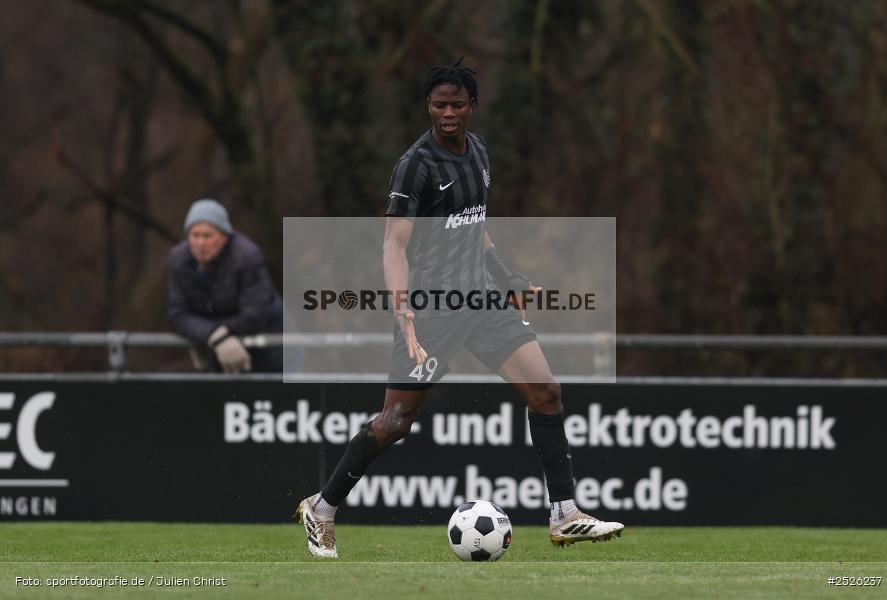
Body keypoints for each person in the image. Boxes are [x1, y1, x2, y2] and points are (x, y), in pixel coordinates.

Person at [296, 60, 623, 558]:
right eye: (438, 104)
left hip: (482, 300)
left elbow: (474, 227)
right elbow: (393, 245)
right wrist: (403, 312)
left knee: (547, 391)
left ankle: (564, 514)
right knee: (396, 422)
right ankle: (322, 507)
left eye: (456, 104)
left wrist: (506, 275)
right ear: (428, 106)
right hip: (431, 309)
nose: (447, 113)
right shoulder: (415, 165)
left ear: (472, 105)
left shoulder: (481, 153)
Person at [168, 199, 283, 373]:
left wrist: (217, 334)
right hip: (220, 345)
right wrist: (212, 335)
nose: (200, 243)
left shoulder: (247, 256)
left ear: (224, 236)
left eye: (207, 236)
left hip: (269, 340)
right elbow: (177, 314)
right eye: (195, 235)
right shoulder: (179, 260)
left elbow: (256, 313)